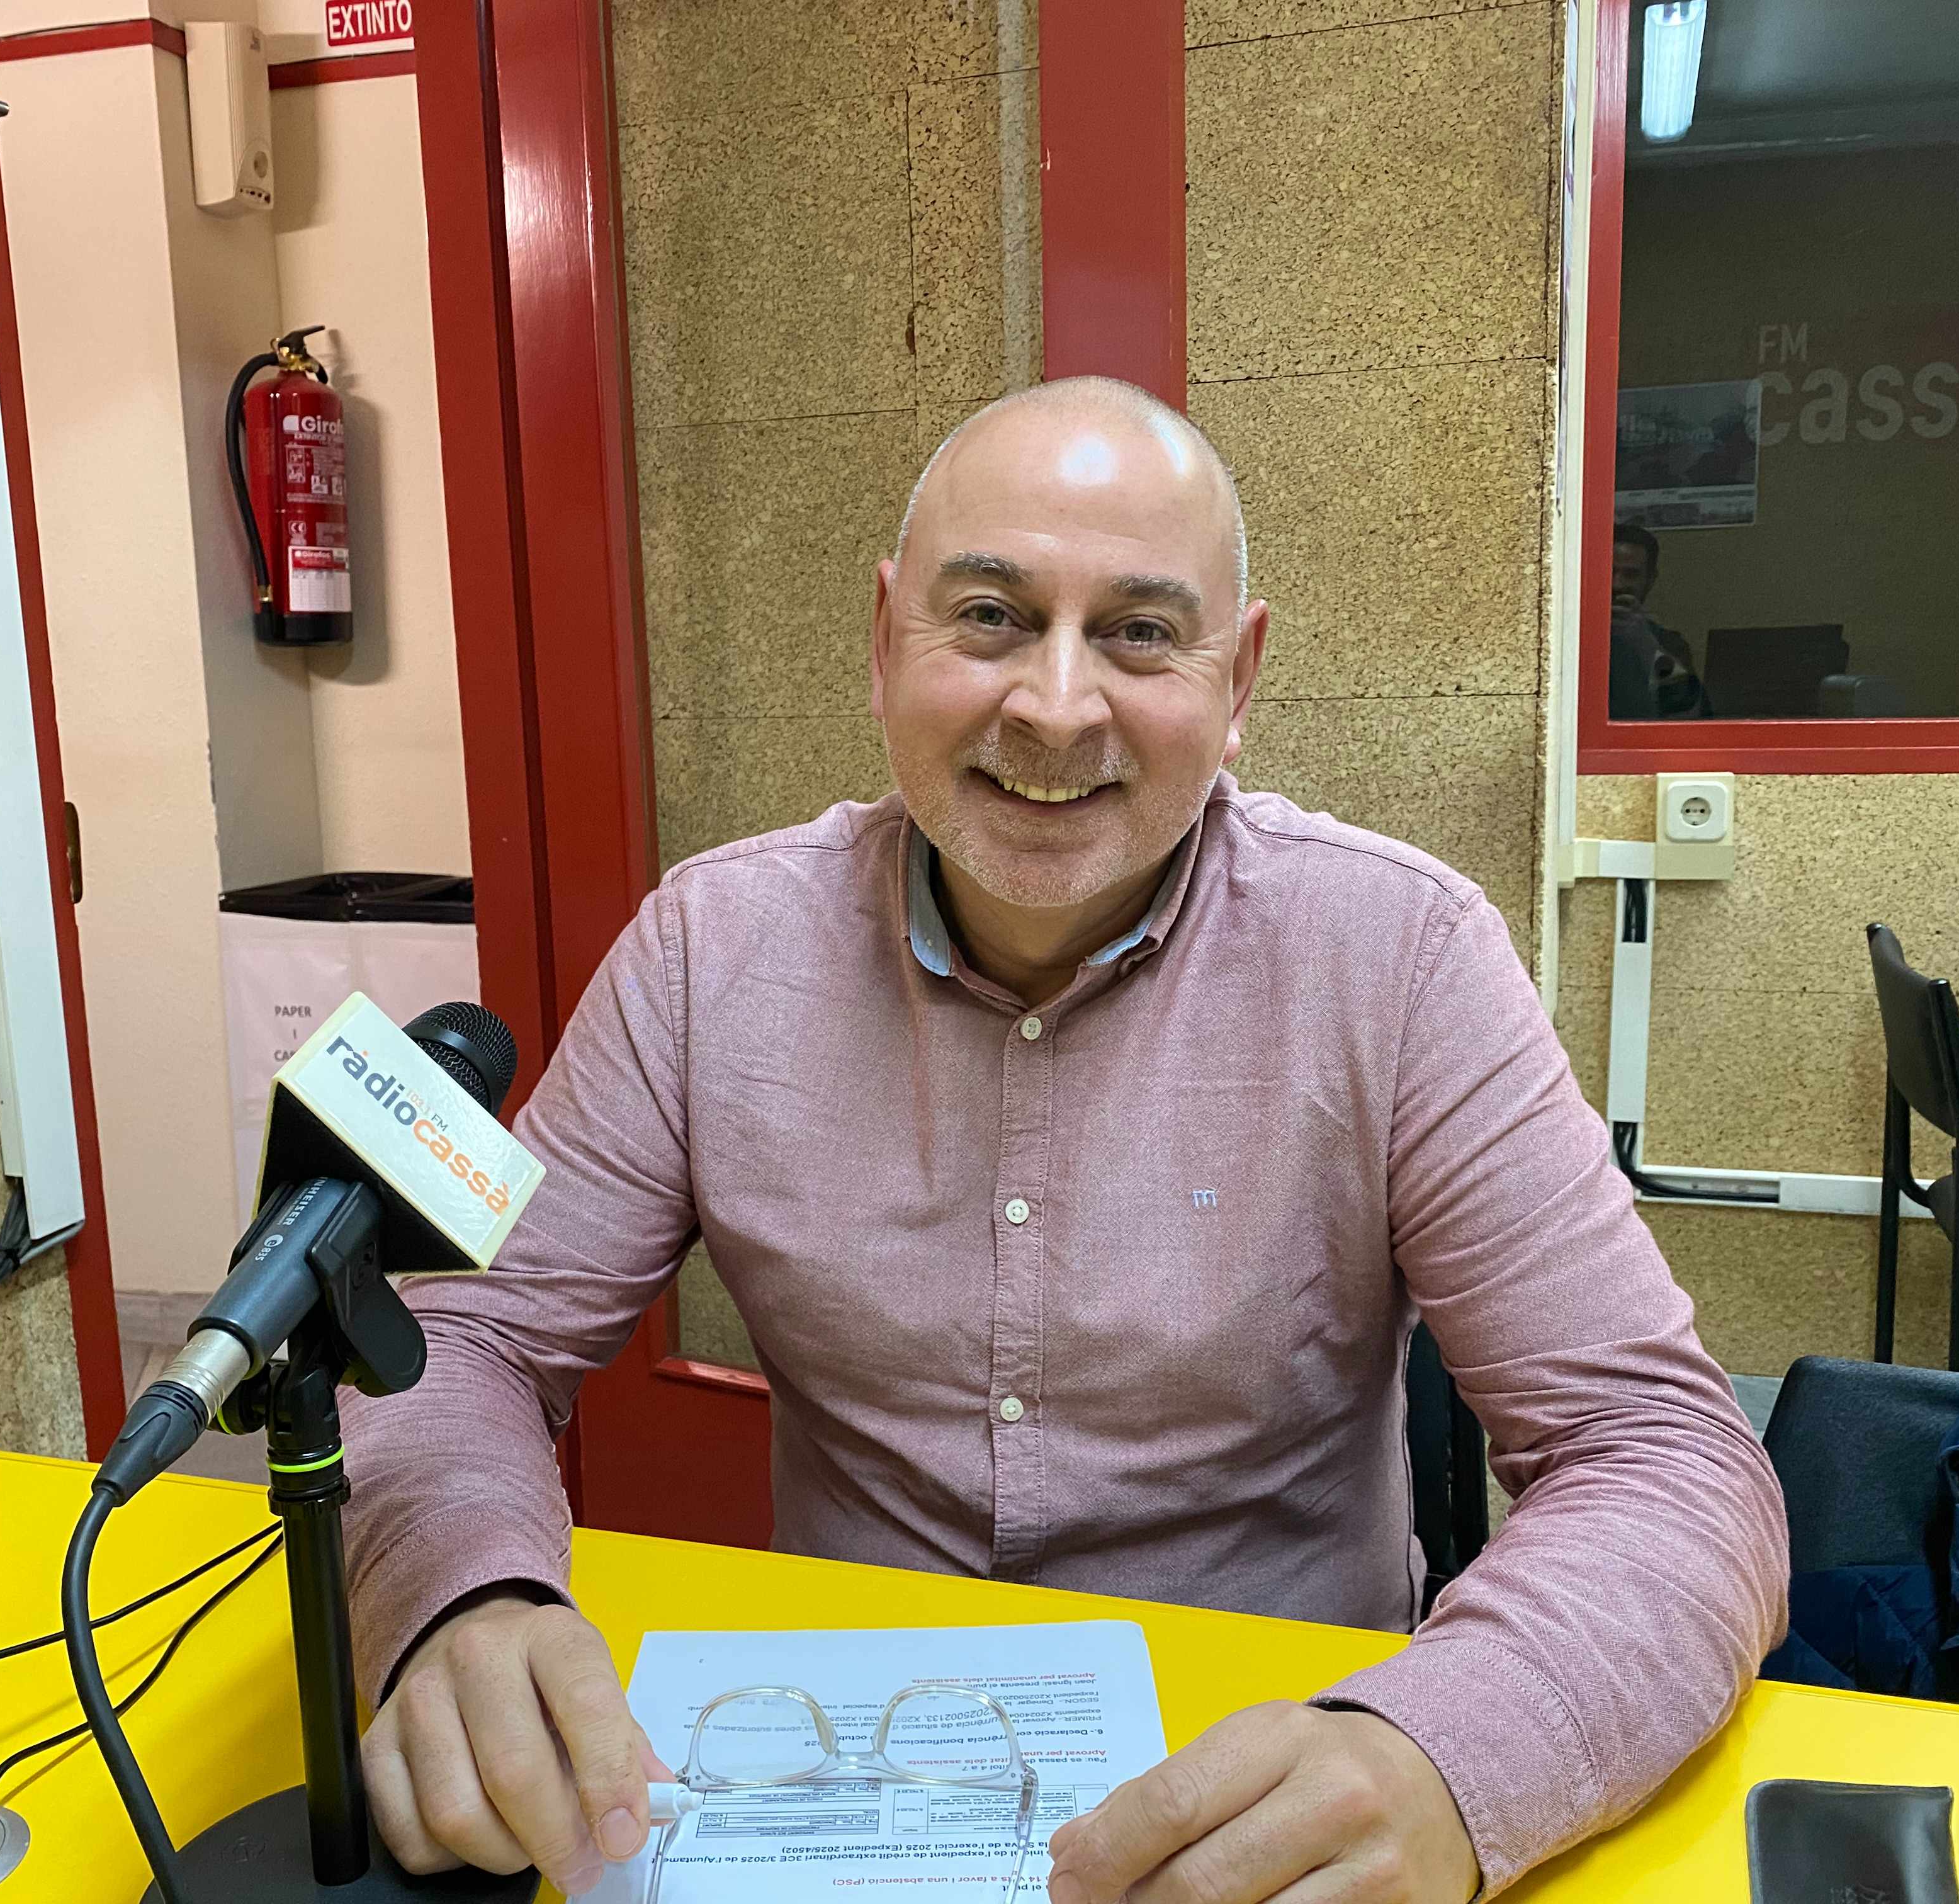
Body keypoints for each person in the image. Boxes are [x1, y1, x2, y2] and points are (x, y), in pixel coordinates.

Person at [337, 378, 1788, 1903]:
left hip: (1275, 1805)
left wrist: (1447, 1755)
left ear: (1241, 676)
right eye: (990, 617)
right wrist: (460, 1594)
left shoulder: (1403, 958)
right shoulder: (711, 950)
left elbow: (1663, 1458)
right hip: (842, 1798)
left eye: (1142, 634)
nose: (1054, 706)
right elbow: (467, 1336)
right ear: (885, 637)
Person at [1608, 521, 1711, 719]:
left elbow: (1689, 711)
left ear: (1650, 580)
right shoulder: (1569, 634)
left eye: (1631, 575)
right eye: (1610, 572)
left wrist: (1645, 644)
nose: (1617, 585)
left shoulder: (1668, 643)